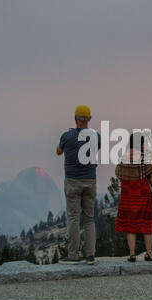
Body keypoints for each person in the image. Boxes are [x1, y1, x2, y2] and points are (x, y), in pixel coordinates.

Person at [56, 105, 100, 265]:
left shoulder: (66, 136)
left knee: (73, 218)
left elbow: (58, 151)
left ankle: (73, 255)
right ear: (89, 119)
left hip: (72, 181)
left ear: (75, 118)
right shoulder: (96, 136)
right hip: (90, 180)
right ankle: (90, 255)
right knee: (89, 219)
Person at [114, 133, 152, 262]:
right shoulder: (144, 158)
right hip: (143, 195)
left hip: (128, 196)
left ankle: (132, 254)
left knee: (130, 226)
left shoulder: (123, 158)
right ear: (141, 144)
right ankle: (149, 254)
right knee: (147, 225)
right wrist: (150, 152)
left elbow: (117, 173)